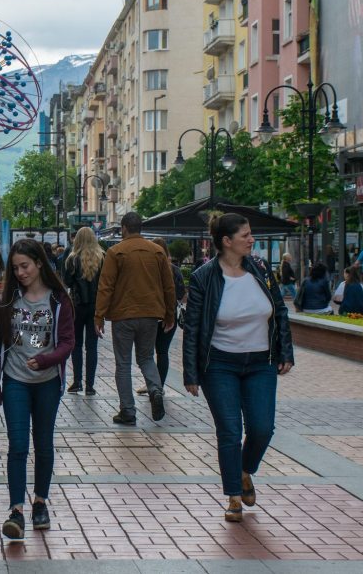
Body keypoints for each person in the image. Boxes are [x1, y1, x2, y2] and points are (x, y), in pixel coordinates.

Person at [182, 213, 294, 522]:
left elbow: (280, 312)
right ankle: (233, 495)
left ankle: (245, 471)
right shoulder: (204, 277)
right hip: (219, 364)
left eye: (250, 233)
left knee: (261, 428)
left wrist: (285, 350)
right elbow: (192, 328)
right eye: (244, 235)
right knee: (230, 431)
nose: (251, 238)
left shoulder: (260, 269)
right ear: (226, 242)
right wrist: (190, 372)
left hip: (261, 363)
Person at [0, 238, 74, 539]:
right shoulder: (7, 299)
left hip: (47, 382)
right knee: (17, 445)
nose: (21, 272)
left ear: (40, 263)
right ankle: (16, 510)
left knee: (44, 443)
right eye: (16, 268)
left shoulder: (59, 299)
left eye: (25, 266)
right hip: (15, 380)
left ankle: (40, 501)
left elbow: (67, 342)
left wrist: (47, 359)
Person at [94, 212, 176, 425]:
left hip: (123, 315)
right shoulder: (157, 252)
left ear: (123, 228)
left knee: (123, 364)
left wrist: (99, 315)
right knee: (146, 358)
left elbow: (106, 286)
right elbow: (169, 286)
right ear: (141, 227)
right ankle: (155, 389)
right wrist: (170, 314)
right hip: (151, 315)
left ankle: (128, 411)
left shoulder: (115, 252)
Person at [62, 227, 104, 395]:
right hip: (96, 306)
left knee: (77, 344)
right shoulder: (102, 257)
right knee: (92, 346)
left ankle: (77, 381)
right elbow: (105, 284)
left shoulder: (72, 258)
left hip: (77, 305)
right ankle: (90, 386)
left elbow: (67, 282)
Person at [144, 238, 186, 394]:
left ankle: (152, 384)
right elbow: (181, 293)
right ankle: (159, 386)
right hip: (170, 316)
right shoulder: (174, 270)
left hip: (150, 314)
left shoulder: (148, 269)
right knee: (162, 352)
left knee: (147, 354)